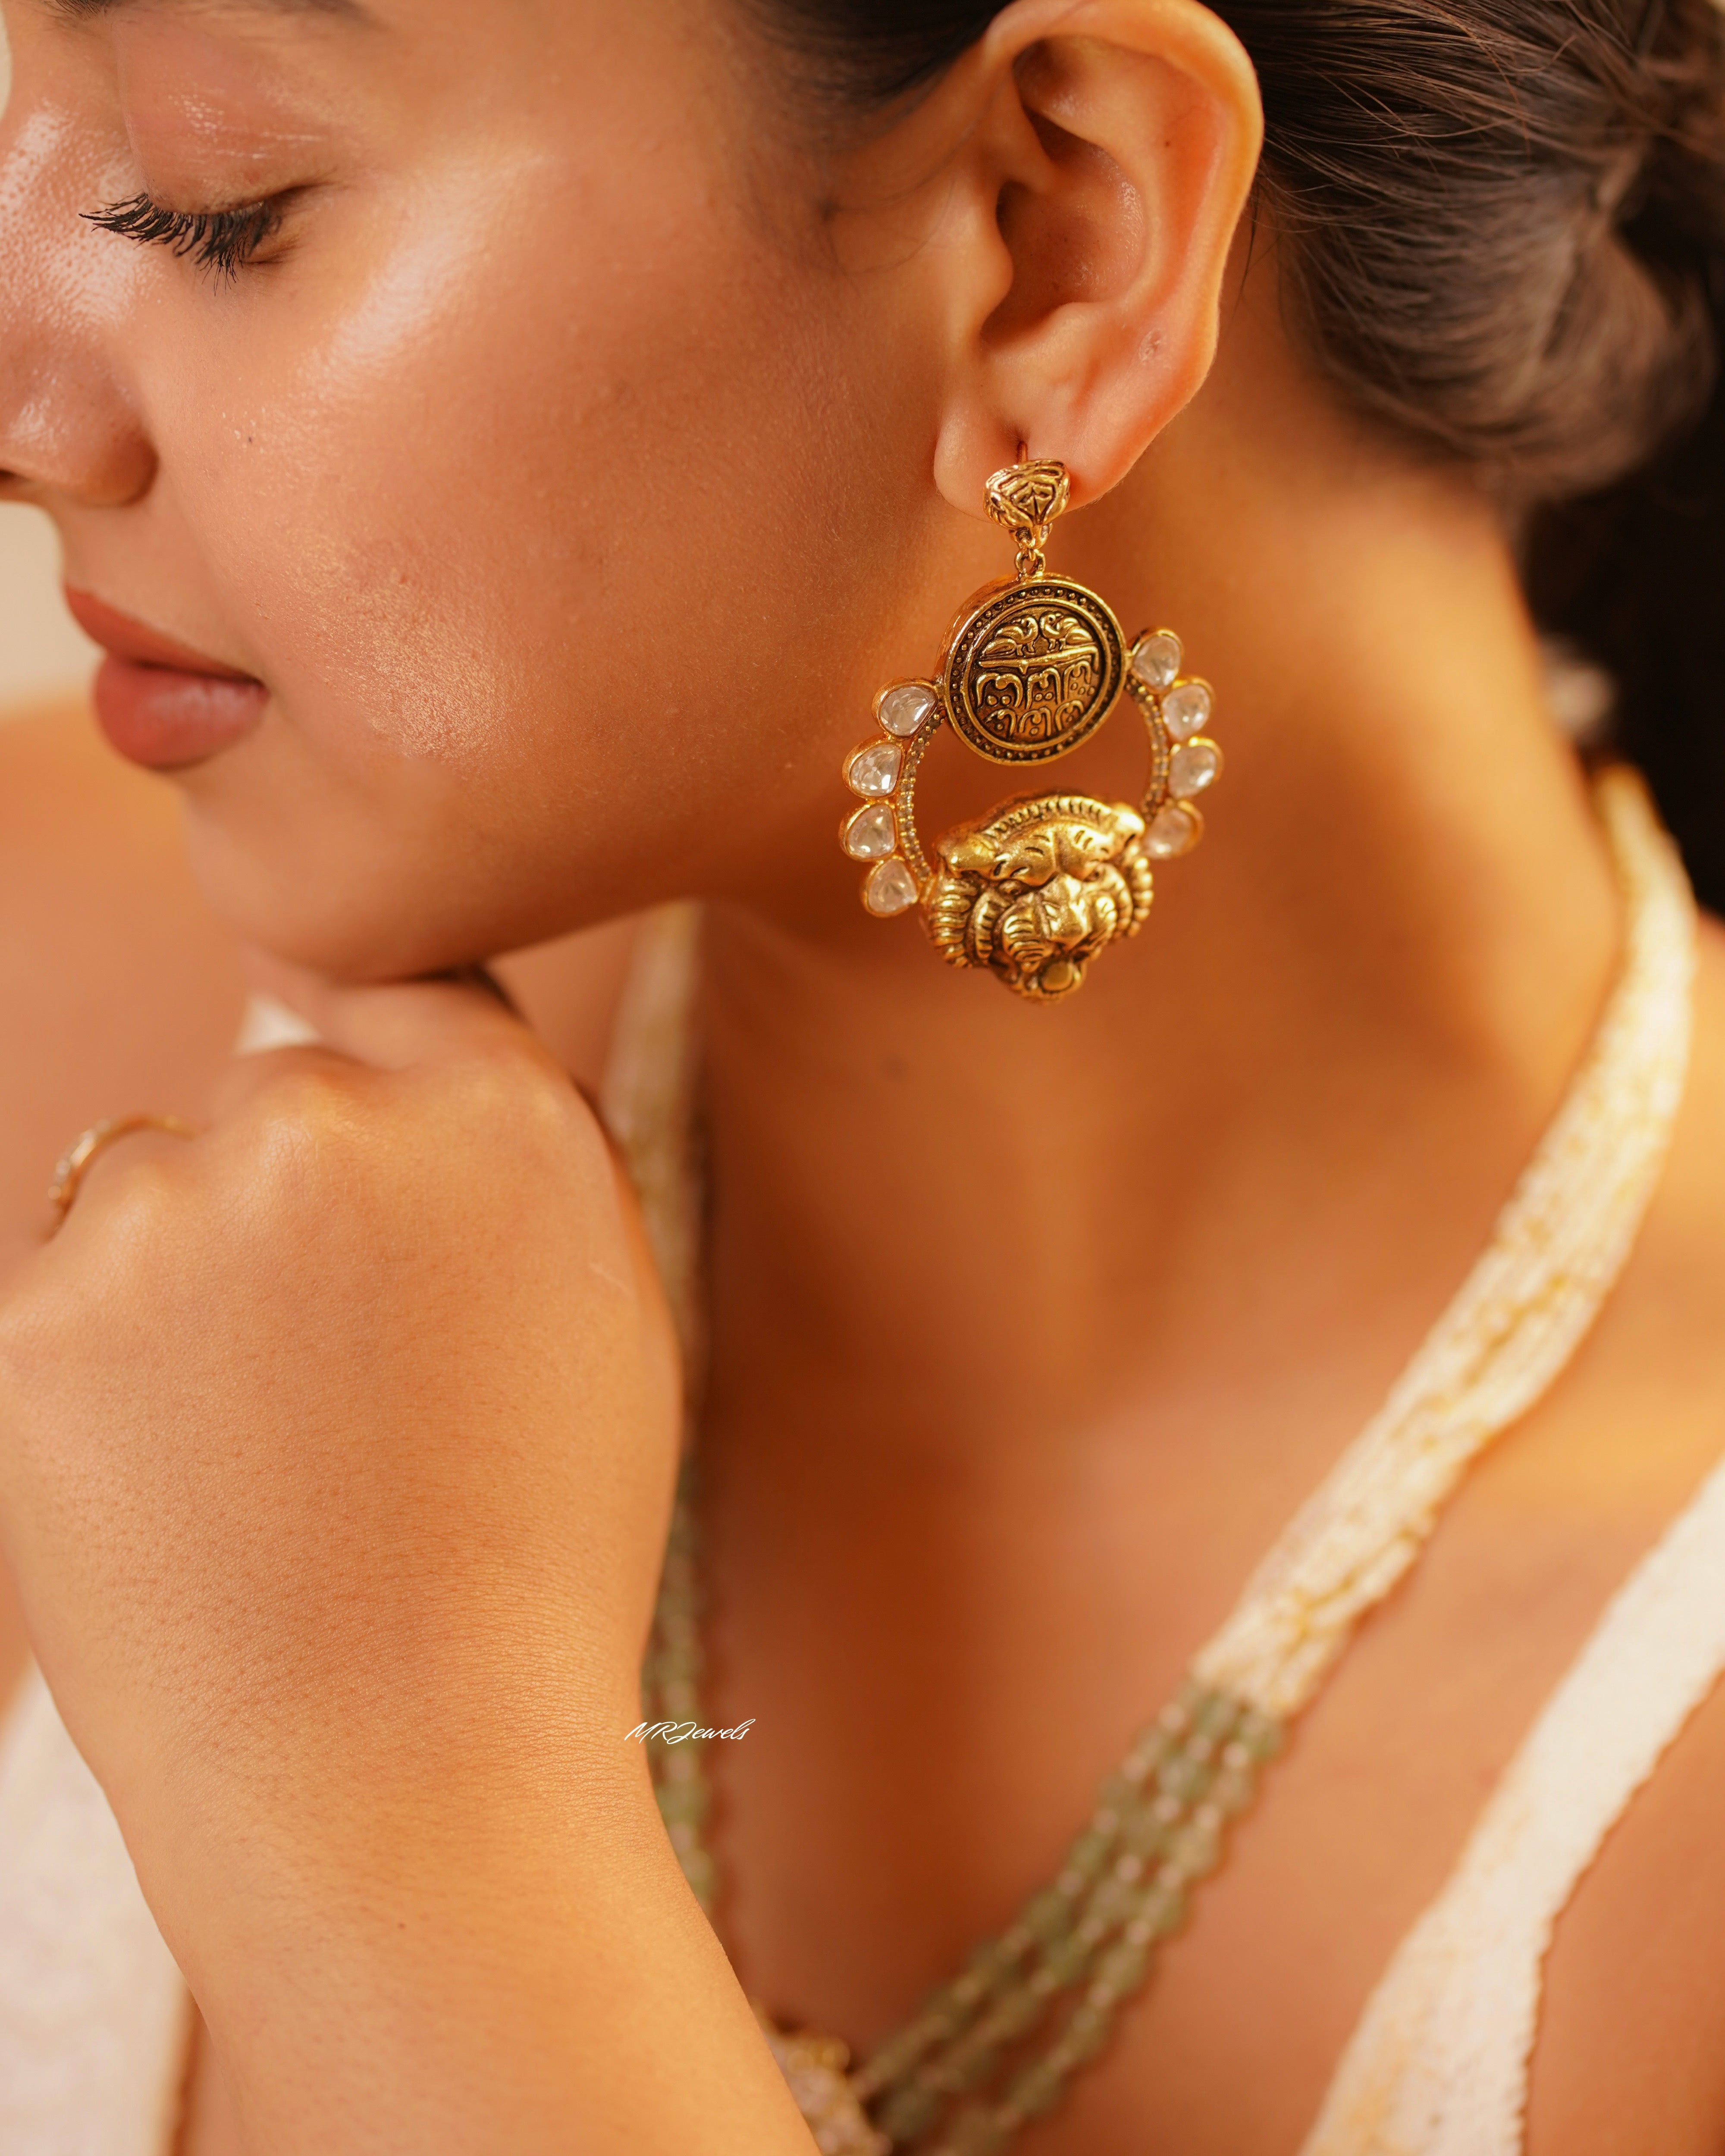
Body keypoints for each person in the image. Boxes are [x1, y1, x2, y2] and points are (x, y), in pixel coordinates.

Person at [0, 0, 1723, 2150]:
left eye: (213, 197)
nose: (27, 405)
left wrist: (400, 1814)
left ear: (1054, 239)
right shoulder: (50, 1052)